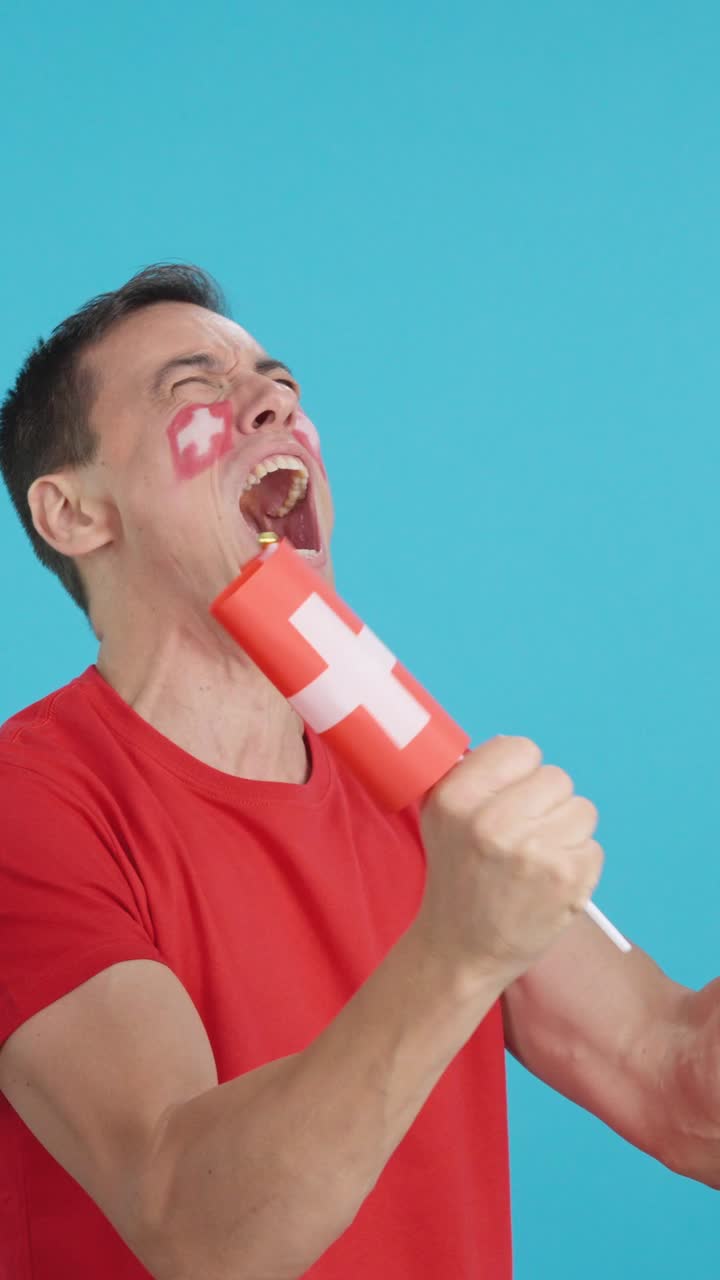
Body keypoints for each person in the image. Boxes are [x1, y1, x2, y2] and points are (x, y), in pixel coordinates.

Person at [0, 264, 716, 1280]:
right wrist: (458, 948)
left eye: (278, 380)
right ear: (75, 513)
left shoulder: (414, 765)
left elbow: (681, 1087)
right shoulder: (29, 805)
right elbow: (193, 1226)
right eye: (194, 385)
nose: (275, 399)